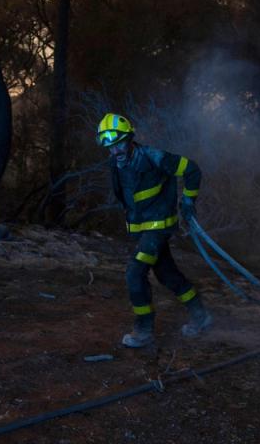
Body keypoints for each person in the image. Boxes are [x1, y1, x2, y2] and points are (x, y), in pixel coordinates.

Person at [97, 112, 213, 348]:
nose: (115, 151)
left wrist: (188, 201)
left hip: (158, 228)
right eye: (109, 146)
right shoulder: (115, 164)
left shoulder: (152, 157)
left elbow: (191, 169)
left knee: (134, 273)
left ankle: (143, 330)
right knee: (167, 275)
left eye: (118, 144)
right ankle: (201, 317)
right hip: (144, 230)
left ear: (129, 139)